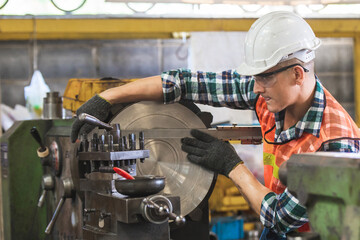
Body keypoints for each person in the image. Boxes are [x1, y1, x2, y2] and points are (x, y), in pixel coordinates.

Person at [71, 11, 360, 239]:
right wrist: (106, 98)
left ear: (297, 74)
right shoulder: (272, 94)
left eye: (264, 78)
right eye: (256, 77)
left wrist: (232, 166)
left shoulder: (334, 144)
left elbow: (282, 217)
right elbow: (184, 83)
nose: (256, 88)